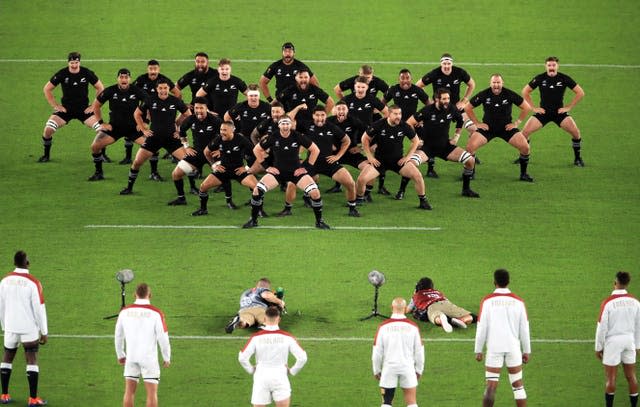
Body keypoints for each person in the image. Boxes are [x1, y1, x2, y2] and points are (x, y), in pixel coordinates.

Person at [243, 116, 331, 229]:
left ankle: (319, 222)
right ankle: (253, 221)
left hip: (296, 172)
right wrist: (267, 167)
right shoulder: (273, 136)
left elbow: (315, 150)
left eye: (287, 123)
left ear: (291, 125)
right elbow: (257, 149)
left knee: (315, 193)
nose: (285, 126)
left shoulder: (297, 136)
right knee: (257, 191)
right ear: (279, 125)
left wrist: (307, 168)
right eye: (283, 124)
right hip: (278, 172)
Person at [399, 87, 479, 199]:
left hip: (444, 146)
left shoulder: (451, 108)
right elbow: (409, 123)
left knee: (470, 160)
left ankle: (466, 189)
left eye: (448, 98)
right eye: (444, 99)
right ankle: (401, 191)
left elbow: (460, 120)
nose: (447, 101)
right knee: (410, 165)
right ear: (437, 99)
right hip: (427, 147)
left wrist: (456, 136)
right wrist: (417, 139)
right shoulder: (427, 110)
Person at [119, 78, 191, 195]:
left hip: (171, 138)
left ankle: (193, 188)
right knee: (137, 162)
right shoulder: (149, 100)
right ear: (156, 89)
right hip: (154, 138)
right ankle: (129, 188)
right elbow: (137, 114)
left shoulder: (175, 101)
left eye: (165, 88)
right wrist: (143, 129)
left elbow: (188, 115)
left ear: (169, 89)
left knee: (187, 162)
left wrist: (179, 128)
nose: (163, 90)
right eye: (160, 88)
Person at [356, 105, 432, 210]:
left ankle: (423, 201)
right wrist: (369, 156)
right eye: (395, 114)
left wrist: (407, 157)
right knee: (361, 179)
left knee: (417, 176)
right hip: (379, 161)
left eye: (400, 114)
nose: (398, 116)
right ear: (389, 114)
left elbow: (415, 141)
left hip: (397, 161)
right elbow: (365, 139)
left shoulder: (404, 126)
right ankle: (359, 199)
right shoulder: (378, 124)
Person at [474, 268, 531, 407]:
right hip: (513, 348)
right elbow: (524, 328)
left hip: (494, 348)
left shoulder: (487, 301)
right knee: (518, 385)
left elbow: (481, 327)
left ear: (494, 282)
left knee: (491, 386)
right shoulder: (518, 302)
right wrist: (527, 351)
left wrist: (478, 350)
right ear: (508, 282)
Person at [464, 74, 534, 182]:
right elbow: (468, 107)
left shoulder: (509, 94)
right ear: (490, 83)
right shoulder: (484, 94)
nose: (496, 85)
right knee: (470, 147)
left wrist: (516, 123)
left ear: (502, 83)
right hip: (488, 128)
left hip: (506, 128)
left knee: (525, 147)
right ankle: (471, 173)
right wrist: (477, 123)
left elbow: (526, 107)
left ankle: (523, 174)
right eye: (494, 82)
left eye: (498, 82)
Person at [417, 53, 477, 178]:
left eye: (448, 63)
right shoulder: (434, 74)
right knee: (433, 134)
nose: (446, 66)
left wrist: (464, 100)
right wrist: (430, 102)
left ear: (452, 63)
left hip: (456, 108)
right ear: (441, 64)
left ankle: (470, 156)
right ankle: (430, 168)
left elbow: (472, 84)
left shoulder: (459, 72)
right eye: (444, 63)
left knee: (473, 130)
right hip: (438, 110)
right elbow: (418, 86)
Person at [0, 251, 48, 406]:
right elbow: (39, 309)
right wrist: (44, 331)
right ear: (27, 263)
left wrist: (4, 326)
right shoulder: (33, 282)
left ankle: (4, 395)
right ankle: (33, 399)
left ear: (14, 263)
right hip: (28, 329)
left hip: (10, 327)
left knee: (7, 357)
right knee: (31, 359)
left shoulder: (4, 281)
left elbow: (1, 306)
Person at [39, 51, 104, 163]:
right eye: (72, 63)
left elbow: (100, 88)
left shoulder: (86, 73)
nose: (74, 65)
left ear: (79, 62)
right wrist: (56, 105)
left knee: (102, 131)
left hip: (83, 110)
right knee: (48, 130)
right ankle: (46, 156)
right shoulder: (62, 73)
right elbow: (47, 88)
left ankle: (103, 155)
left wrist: (93, 106)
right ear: (68, 62)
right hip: (66, 110)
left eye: (76, 63)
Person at [296, 106, 360, 217]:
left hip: (328, 162)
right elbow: (290, 122)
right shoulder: (307, 125)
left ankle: (352, 208)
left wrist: (338, 156)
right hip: (312, 163)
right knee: (293, 183)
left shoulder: (332, 127)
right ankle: (295, 205)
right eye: (317, 115)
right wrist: (298, 108)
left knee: (350, 183)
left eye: (322, 115)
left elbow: (346, 141)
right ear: (313, 116)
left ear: (326, 115)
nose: (320, 118)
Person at [520, 56, 585, 166]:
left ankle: (578, 159)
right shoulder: (540, 78)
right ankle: (523, 156)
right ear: (545, 66)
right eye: (549, 65)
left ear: (557, 66)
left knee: (576, 133)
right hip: (543, 113)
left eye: (553, 65)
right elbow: (525, 91)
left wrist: (568, 107)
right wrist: (533, 108)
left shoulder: (564, 78)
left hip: (559, 113)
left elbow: (580, 92)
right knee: (524, 133)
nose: (551, 67)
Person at [238, 306, 307, 407]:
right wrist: (292, 371)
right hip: (280, 376)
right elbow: (303, 358)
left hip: (261, 376)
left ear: (265, 319)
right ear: (279, 319)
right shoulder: (287, 337)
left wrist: (251, 370)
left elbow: (242, 358)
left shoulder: (256, 337)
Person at [115, 283, 170, 407]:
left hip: (131, 357)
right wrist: (166, 357)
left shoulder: (124, 312)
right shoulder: (156, 313)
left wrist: (120, 354)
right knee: (151, 393)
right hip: (149, 359)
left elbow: (118, 335)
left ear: (135, 294)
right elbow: (163, 337)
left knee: (129, 392)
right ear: (150, 295)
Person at [88, 68, 149, 180]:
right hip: (114, 128)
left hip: (133, 129)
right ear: (118, 79)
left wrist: (145, 122)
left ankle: (154, 173)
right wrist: (101, 123)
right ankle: (98, 173)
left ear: (130, 79)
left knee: (152, 146)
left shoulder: (137, 91)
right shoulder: (110, 91)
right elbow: (96, 105)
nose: (123, 79)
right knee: (95, 146)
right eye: (121, 77)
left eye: (126, 77)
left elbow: (149, 104)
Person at [192, 120, 257, 215]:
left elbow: (255, 154)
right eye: (221, 130)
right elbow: (206, 151)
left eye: (225, 130)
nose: (222, 132)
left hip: (238, 170)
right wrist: (214, 165)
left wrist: (247, 168)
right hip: (223, 170)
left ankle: (258, 210)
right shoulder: (219, 138)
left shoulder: (241, 139)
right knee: (203, 187)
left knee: (257, 188)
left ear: (232, 131)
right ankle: (203, 209)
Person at [595, 271, 640, 407]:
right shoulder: (635, 302)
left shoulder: (608, 302)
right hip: (629, 341)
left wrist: (598, 347)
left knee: (611, 379)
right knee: (631, 377)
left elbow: (601, 327)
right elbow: (639, 326)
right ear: (627, 284)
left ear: (615, 283)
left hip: (613, 343)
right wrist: (637, 345)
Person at [167, 97, 221, 206]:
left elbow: (225, 136)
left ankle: (229, 201)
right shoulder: (190, 119)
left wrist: (221, 149)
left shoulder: (215, 120)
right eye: (196, 108)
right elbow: (181, 132)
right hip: (197, 154)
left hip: (213, 155)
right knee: (176, 174)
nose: (198, 111)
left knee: (224, 176)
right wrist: (186, 146)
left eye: (201, 108)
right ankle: (181, 199)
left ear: (206, 108)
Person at [372, 297, 424, 407]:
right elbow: (419, 352)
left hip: (389, 368)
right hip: (407, 367)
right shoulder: (413, 327)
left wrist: (376, 370)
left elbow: (377, 352)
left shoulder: (383, 327)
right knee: (412, 402)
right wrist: (419, 370)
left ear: (392, 308)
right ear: (405, 308)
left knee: (386, 402)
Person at [133, 59, 181, 175]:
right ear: (147, 69)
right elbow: (132, 92)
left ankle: (172, 153)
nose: (153, 71)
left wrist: (173, 105)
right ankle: (152, 170)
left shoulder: (164, 80)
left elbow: (177, 93)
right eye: (151, 69)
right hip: (146, 109)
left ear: (159, 70)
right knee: (145, 134)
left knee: (166, 132)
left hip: (162, 111)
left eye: (155, 69)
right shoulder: (141, 79)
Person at [406, 276, 476, 333]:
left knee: (435, 317)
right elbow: (446, 300)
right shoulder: (437, 292)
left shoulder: (417, 295)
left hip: (431, 306)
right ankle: (462, 320)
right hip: (445, 303)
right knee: (472, 316)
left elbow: (408, 310)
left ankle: (442, 319)